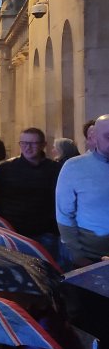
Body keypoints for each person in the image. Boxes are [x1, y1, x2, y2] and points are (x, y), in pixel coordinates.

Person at [0, 127, 61, 257]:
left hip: (45, 232)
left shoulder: (55, 169)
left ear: (43, 145)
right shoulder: (6, 169)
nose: (28, 147)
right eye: (24, 143)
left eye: (33, 143)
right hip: (13, 232)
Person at [55, 114, 109, 268]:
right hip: (90, 258)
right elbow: (64, 215)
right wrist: (78, 255)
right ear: (94, 137)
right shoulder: (74, 167)